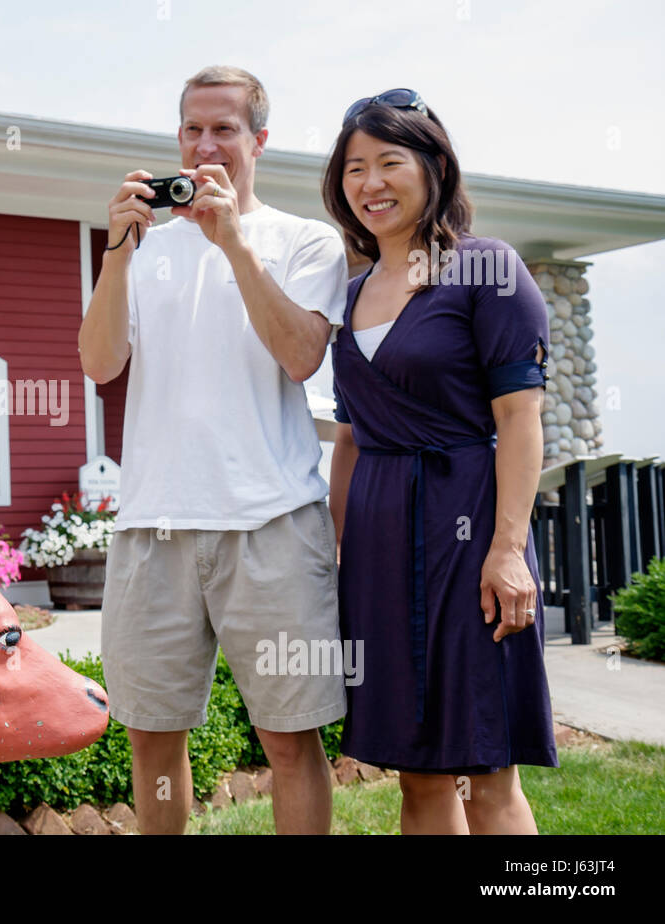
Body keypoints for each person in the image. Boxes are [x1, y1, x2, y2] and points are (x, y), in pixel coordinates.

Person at [79, 66, 350, 834]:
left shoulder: (306, 241)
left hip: (273, 524)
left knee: (290, 741)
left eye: (225, 129)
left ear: (259, 140)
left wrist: (231, 242)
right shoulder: (144, 252)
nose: (205, 146)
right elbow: (100, 363)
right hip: (151, 527)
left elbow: (301, 356)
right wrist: (117, 255)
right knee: (151, 737)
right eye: (193, 129)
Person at [322, 89, 558, 834]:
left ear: (433, 167)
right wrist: (340, 551)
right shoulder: (349, 293)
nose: (371, 183)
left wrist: (509, 550)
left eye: (390, 162)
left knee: (487, 768)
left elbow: (520, 417)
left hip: (469, 529)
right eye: (355, 167)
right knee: (417, 777)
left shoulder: (486, 269)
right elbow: (353, 437)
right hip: (379, 545)